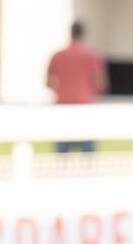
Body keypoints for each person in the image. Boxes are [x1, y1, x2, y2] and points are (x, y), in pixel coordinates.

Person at [46, 20, 107, 153]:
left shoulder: (58, 55)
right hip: (84, 106)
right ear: (83, 34)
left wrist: (63, 90)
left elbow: (48, 82)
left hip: (62, 105)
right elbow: (100, 84)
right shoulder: (91, 56)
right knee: (87, 151)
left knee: (62, 150)